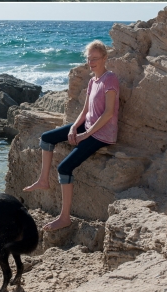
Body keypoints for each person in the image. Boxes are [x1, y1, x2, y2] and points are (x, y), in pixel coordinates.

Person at [23, 40, 119, 231]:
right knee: (46, 138)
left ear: (105, 58)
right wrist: (74, 127)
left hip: (102, 133)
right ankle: (43, 180)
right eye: (89, 58)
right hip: (88, 124)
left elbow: (108, 113)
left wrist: (84, 135)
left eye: (95, 58)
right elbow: (85, 110)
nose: (91, 62)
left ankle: (64, 217)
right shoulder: (93, 81)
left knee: (64, 167)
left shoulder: (110, 79)